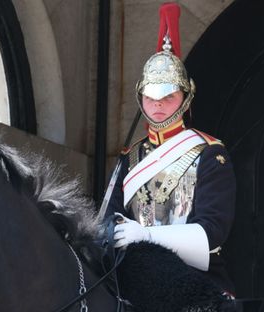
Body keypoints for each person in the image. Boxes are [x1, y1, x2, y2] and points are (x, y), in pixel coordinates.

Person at [104, 3, 237, 295]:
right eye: (150, 97)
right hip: (133, 275)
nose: (158, 104)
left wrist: (146, 234)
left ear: (186, 96)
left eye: (168, 96)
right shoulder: (131, 157)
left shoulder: (210, 154)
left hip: (192, 277)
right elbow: (108, 218)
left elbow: (211, 233)